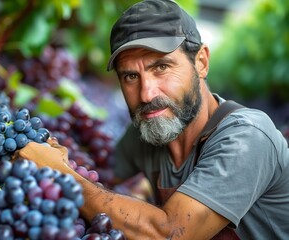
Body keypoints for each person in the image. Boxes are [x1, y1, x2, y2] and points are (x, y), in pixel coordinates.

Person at [16, 0, 289, 239]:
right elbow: (100, 171)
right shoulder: (149, 132)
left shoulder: (247, 137)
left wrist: (61, 175)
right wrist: (54, 153)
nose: (147, 94)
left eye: (161, 67)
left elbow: (168, 233)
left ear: (201, 62)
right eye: (131, 76)